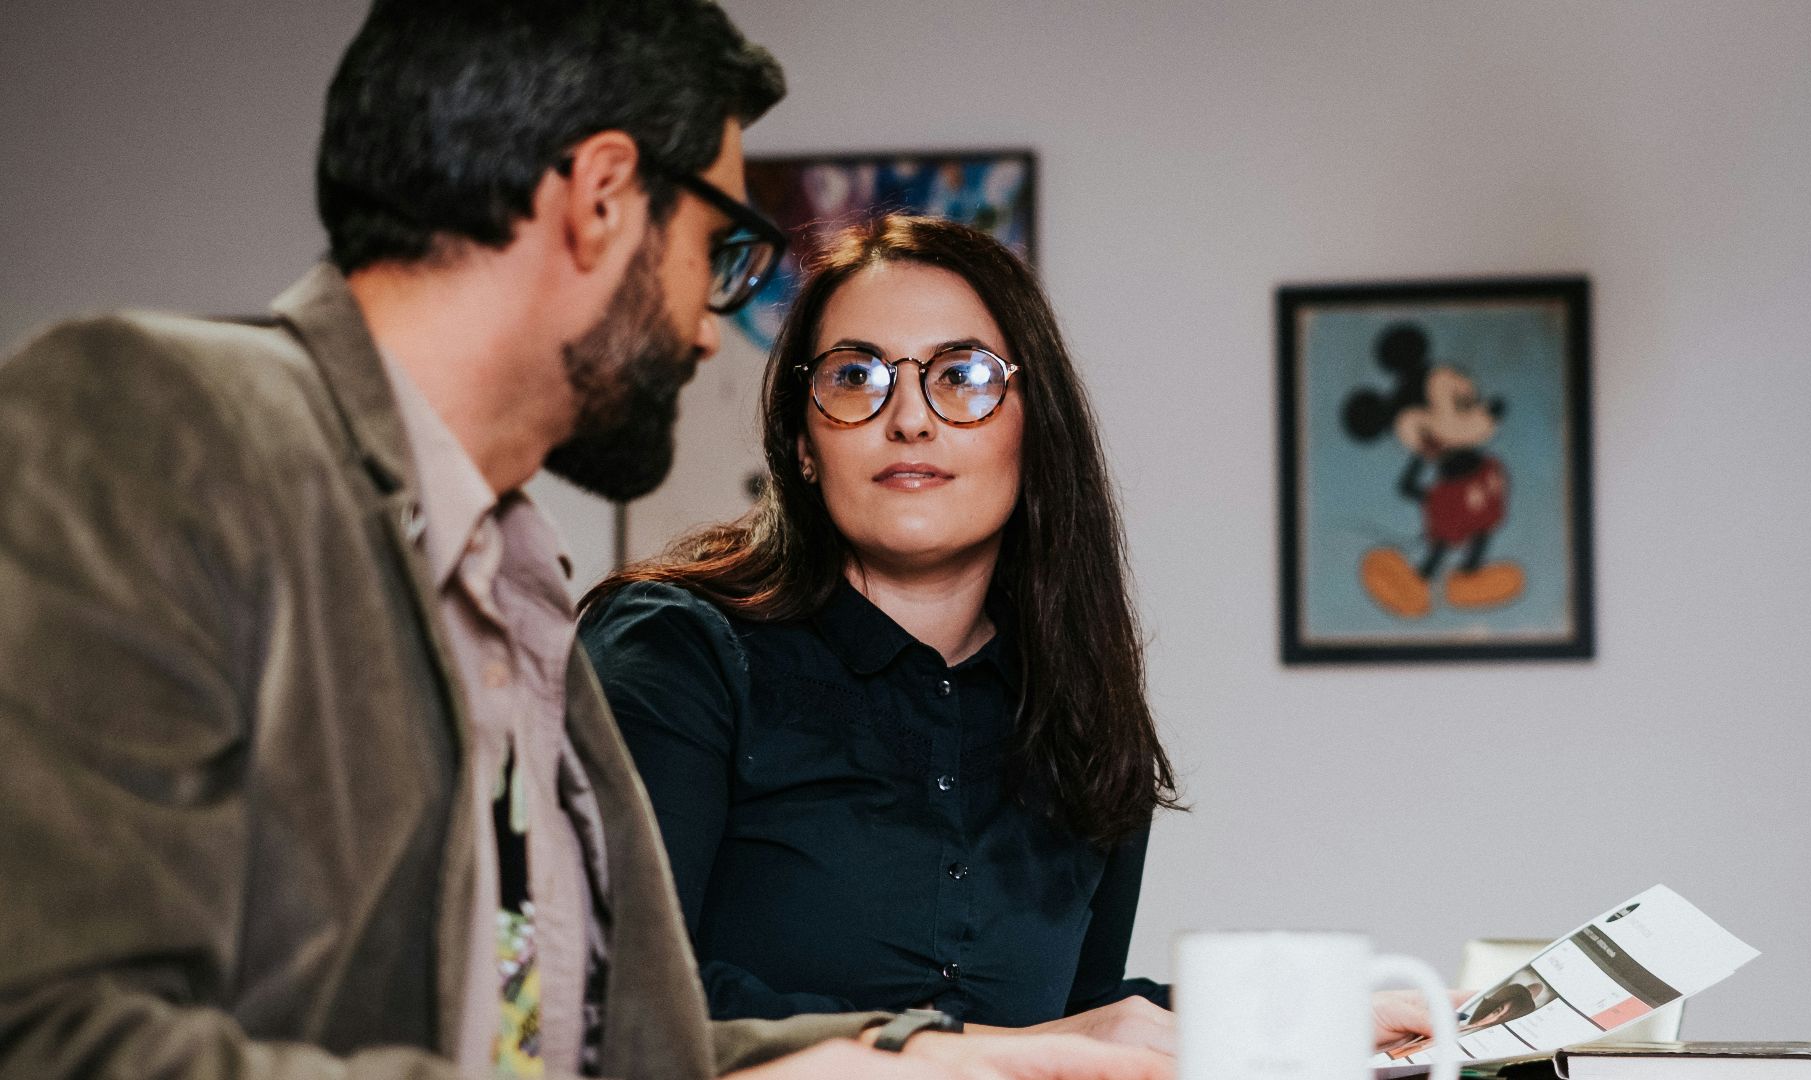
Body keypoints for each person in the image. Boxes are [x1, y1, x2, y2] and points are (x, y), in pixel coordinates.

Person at [0, 3, 1173, 1080]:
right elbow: (51, 1034)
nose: (713, 335)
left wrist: (958, 1057)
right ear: (603, 197)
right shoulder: (156, 418)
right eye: (717, 251)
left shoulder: (509, 574)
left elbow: (587, 1036)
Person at [578, 216, 1181, 1051]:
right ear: (802, 443)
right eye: (856, 375)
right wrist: (971, 1054)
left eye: (963, 375)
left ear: (1035, 432)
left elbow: (1081, 1014)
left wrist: (1320, 1008)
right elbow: (612, 993)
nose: (909, 418)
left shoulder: (1080, 711)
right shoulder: (676, 651)